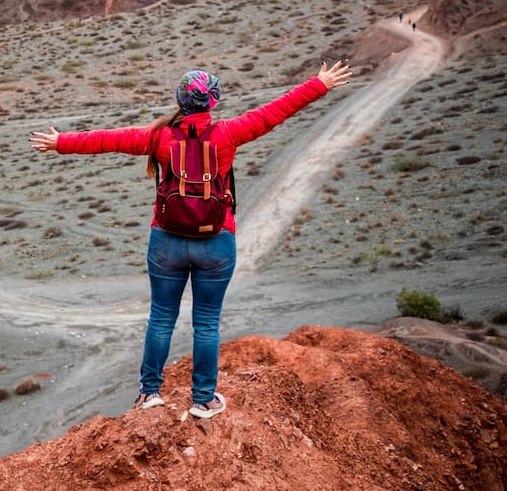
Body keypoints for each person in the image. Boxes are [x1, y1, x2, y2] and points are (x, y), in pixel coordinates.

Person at [30, 61, 352, 419]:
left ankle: (149, 394)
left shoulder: (159, 136)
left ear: (180, 100)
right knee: (207, 322)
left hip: (166, 241)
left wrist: (61, 142)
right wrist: (319, 84)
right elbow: (274, 112)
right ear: (212, 102)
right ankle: (203, 400)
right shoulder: (229, 133)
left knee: (161, 317)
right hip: (216, 242)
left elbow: (109, 139)